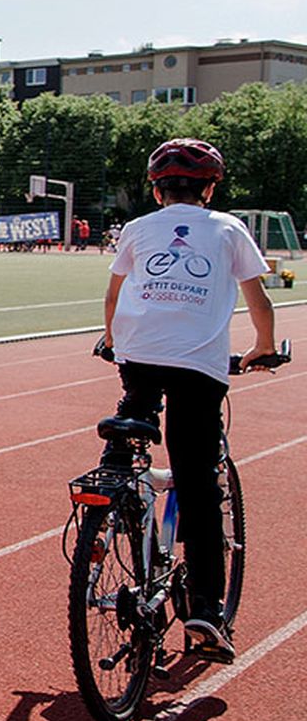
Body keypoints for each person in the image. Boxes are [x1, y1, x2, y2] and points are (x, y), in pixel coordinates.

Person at [101, 138, 276, 663]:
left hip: (137, 356)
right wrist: (263, 349)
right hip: (199, 366)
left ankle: (117, 484)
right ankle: (204, 607)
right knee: (199, 482)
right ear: (211, 188)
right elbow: (258, 299)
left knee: (135, 416)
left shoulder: (136, 229)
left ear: (156, 191)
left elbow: (114, 295)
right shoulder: (228, 228)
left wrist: (112, 341)